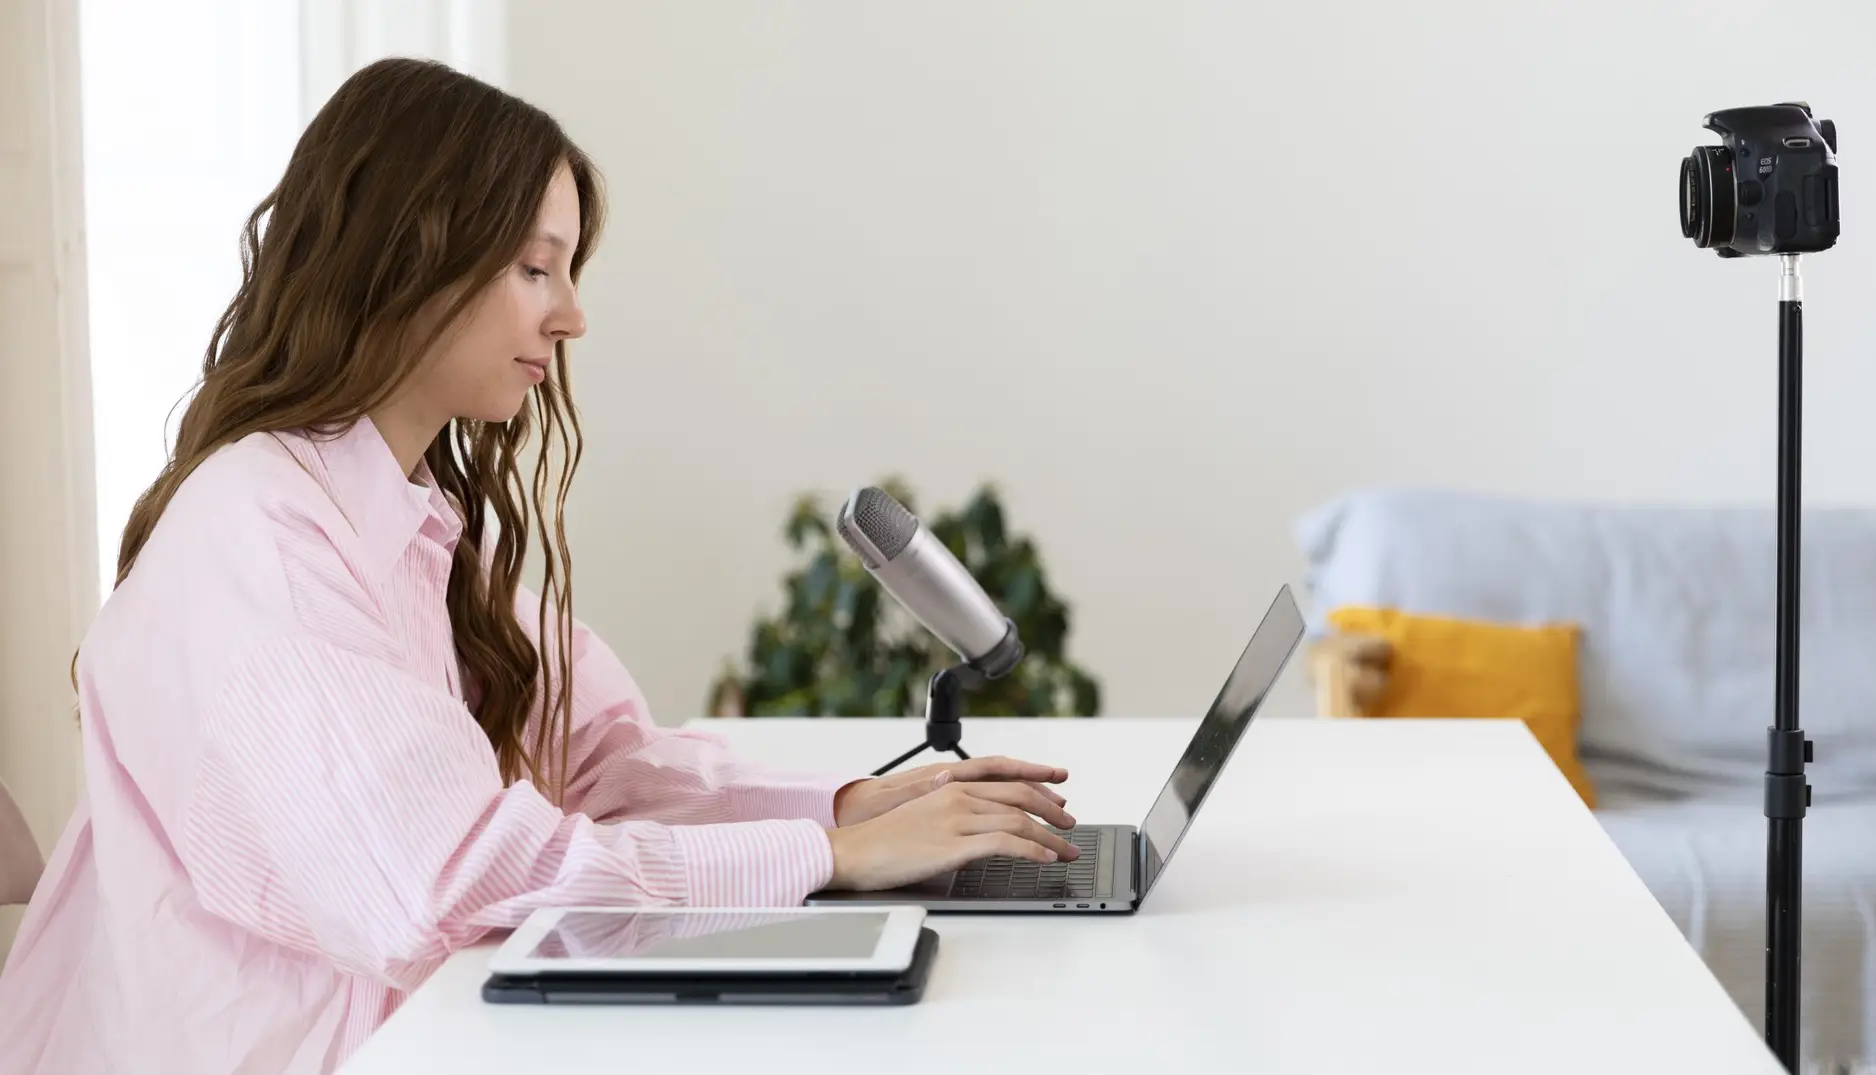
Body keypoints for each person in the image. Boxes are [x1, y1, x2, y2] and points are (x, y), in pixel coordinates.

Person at [0, 57, 1078, 1075]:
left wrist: (852, 812)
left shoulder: (406, 523)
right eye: (534, 268)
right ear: (411, 255)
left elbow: (605, 764)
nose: (571, 315)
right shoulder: (265, 543)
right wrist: (828, 860)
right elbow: (450, 881)